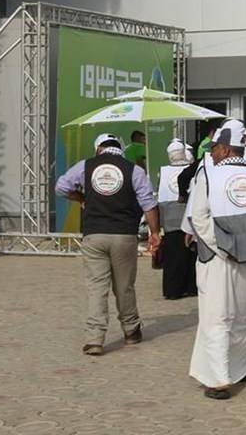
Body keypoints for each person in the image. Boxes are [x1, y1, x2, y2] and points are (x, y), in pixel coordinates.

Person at [184, 121, 246, 399]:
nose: (211, 153)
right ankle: (241, 367)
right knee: (244, 316)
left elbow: (198, 218)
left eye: (214, 148)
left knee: (217, 318)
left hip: (218, 260)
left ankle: (219, 379)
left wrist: (224, 247)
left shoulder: (209, 177)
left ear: (225, 149)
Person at [55, 133, 161, 356]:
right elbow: (149, 203)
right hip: (124, 235)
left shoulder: (85, 166)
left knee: (96, 287)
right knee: (124, 286)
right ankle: (131, 330)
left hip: (94, 234)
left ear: (98, 149)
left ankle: (94, 339)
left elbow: (61, 187)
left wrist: (81, 198)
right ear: (120, 149)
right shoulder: (134, 170)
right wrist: (154, 233)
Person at [158, 138, 197, 300]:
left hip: (169, 216)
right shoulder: (192, 169)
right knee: (191, 254)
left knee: (173, 256)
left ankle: (173, 290)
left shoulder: (163, 171)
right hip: (189, 214)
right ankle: (192, 287)